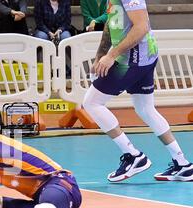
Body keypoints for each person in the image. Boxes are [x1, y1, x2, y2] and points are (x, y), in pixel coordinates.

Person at [82, 0, 193, 182]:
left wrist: (111, 55)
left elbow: (141, 27)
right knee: (145, 109)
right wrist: (100, 55)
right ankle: (183, 164)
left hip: (133, 59)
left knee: (92, 102)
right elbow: (111, 23)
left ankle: (133, 156)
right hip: (144, 57)